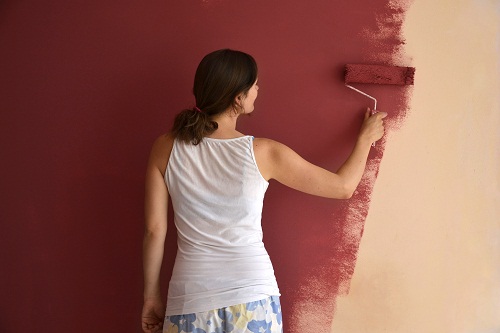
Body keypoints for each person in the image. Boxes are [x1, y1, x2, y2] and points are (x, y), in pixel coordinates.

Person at [142, 49, 387, 333]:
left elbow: (154, 230)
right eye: (255, 85)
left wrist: (151, 297)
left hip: (189, 298)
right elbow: (343, 187)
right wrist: (365, 138)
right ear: (238, 97)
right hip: (252, 297)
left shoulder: (165, 147)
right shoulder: (263, 152)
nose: (258, 90)